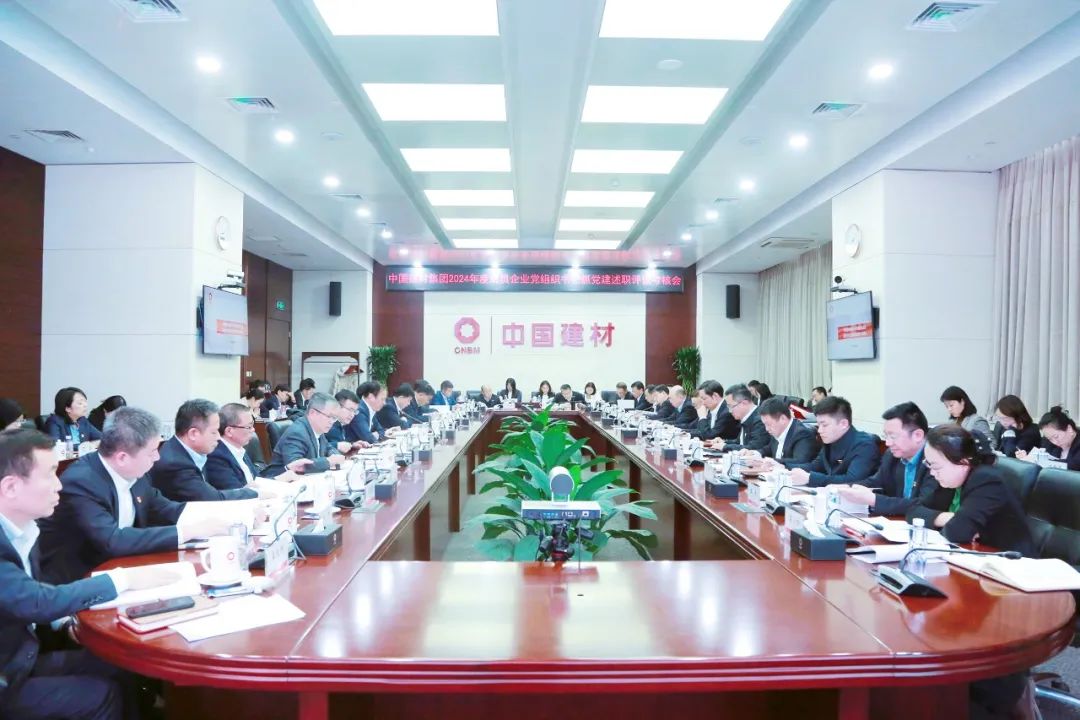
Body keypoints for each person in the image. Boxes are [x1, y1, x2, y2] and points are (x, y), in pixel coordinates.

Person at [0, 429, 180, 720]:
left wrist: (64, 622)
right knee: (100, 696)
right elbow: (35, 601)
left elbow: (27, 591)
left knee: (121, 664)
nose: (59, 485)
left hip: (21, 658)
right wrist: (123, 579)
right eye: (50, 474)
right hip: (7, 677)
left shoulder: (24, 528)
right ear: (10, 487)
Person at [39, 407, 232, 584]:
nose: (157, 457)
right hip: (78, 581)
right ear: (122, 457)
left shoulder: (135, 472)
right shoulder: (82, 482)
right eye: (152, 452)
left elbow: (165, 508)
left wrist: (226, 516)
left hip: (123, 568)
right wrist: (188, 531)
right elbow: (112, 540)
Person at [836, 402, 952, 522]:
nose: (887, 443)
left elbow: (925, 505)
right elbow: (876, 481)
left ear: (917, 435)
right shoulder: (892, 455)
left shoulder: (937, 459)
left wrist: (874, 500)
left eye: (893, 436)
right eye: (886, 436)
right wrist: (846, 488)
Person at [150, 399, 274, 502]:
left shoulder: (189, 452)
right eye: (214, 432)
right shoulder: (176, 463)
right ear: (193, 434)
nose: (219, 437)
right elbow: (211, 498)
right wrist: (252, 493)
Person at [205, 403, 309, 491]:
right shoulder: (216, 456)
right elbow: (238, 493)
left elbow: (257, 480)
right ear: (229, 431)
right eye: (249, 426)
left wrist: (287, 468)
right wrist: (279, 479)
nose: (253, 430)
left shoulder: (238, 449)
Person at [784, 396, 881, 487]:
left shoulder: (865, 445)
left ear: (843, 424)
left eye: (824, 425)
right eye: (818, 425)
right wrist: (784, 466)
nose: (819, 430)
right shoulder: (832, 439)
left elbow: (852, 480)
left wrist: (810, 478)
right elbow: (816, 466)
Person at [260, 393, 347, 478]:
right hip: (279, 483)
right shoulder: (297, 433)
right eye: (329, 416)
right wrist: (328, 461)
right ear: (313, 413)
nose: (332, 422)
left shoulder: (317, 428)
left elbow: (328, 447)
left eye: (334, 418)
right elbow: (297, 466)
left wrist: (335, 456)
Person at [755, 396, 820, 464]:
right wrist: (756, 453)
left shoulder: (802, 434)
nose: (767, 429)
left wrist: (772, 462)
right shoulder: (778, 430)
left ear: (782, 419)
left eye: (769, 424)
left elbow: (799, 462)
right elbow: (770, 448)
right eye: (765, 425)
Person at [1019, 406, 1080, 471]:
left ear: (1069, 429)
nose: (1054, 442)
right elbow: (1042, 454)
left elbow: (1074, 465)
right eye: (1050, 439)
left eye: (1056, 437)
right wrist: (1028, 456)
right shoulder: (1049, 442)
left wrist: (1043, 462)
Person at [716, 383, 770, 453]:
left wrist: (725, 446)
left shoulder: (760, 419)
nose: (730, 411)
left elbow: (754, 447)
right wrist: (724, 442)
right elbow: (740, 442)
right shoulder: (747, 416)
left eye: (731, 406)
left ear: (744, 403)